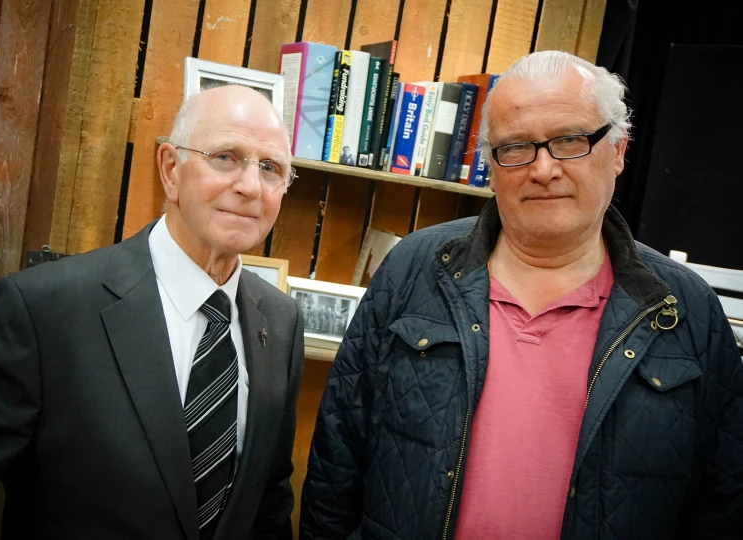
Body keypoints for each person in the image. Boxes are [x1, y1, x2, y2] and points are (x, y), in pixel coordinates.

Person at [300, 51, 743, 540]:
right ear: (490, 163)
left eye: (570, 141)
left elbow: (723, 500)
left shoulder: (685, 308)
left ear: (618, 149)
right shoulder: (413, 269)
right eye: (516, 147)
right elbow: (336, 459)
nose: (543, 169)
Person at [0, 85, 305, 539]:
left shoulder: (281, 321)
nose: (250, 186)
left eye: (270, 168)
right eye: (226, 157)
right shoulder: (42, 310)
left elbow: (268, 499)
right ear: (171, 170)